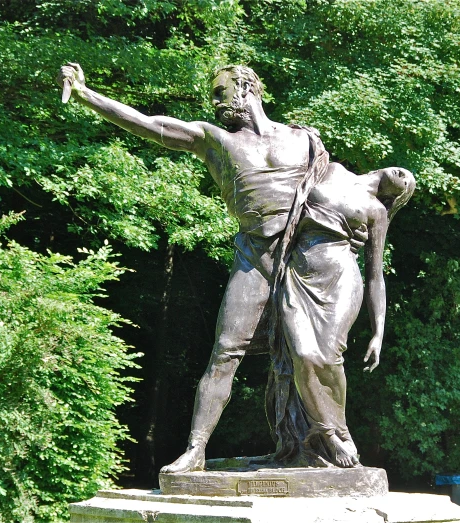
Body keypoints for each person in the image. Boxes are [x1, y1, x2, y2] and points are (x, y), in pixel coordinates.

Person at [58, 62, 337, 473]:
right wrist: (86, 95)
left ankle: (326, 438)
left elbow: (339, 193)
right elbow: (148, 125)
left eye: (220, 93)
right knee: (225, 351)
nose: (215, 103)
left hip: (305, 256)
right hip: (254, 256)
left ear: (247, 88)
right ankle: (196, 449)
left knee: (312, 353)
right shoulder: (214, 138)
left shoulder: (304, 140)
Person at [268, 163, 415, 467]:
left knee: (329, 357)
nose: (404, 176)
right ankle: (328, 431)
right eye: (405, 172)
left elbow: (375, 276)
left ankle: (338, 433)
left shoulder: (377, 211)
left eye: (407, 184)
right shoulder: (331, 169)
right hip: (300, 273)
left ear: (396, 197)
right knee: (303, 355)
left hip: (342, 280)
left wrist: (378, 332)